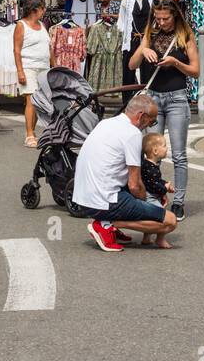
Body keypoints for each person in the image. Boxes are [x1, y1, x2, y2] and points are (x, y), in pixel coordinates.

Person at [69, 93, 176, 253]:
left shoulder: (106, 123)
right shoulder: (132, 134)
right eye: (152, 121)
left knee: (141, 202)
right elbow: (134, 184)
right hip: (104, 200)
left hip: (83, 197)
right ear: (141, 116)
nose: (151, 125)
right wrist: (146, 201)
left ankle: (109, 223)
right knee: (170, 221)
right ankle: (109, 225)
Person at [129, 0, 199, 220]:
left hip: (177, 98)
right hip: (153, 101)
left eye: (165, 18)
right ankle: (153, 197)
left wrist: (175, 63)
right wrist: (143, 51)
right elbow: (132, 65)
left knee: (178, 154)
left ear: (175, 15)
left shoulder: (185, 36)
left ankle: (178, 202)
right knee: (151, 154)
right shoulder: (150, 33)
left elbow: (196, 71)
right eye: (158, 18)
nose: (161, 22)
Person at [13, 0, 51, 148]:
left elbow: (49, 48)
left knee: (38, 101)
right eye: (42, 9)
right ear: (35, 9)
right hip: (29, 67)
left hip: (44, 67)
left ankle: (33, 131)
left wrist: (54, 67)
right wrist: (20, 71)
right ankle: (29, 134)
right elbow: (16, 50)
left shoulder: (42, 25)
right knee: (31, 100)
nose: (44, 11)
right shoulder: (21, 25)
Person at [138, 132, 175, 248]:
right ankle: (160, 239)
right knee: (161, 216)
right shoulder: (150, 168)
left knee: (150, 216)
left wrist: (164, 184)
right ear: (155, 151)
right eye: (164, 145)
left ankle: (146, 238)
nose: (167, 148)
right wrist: (165, 188)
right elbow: (153, 185)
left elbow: (155, 181)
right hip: (150, 196)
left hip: (150, 194)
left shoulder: (150, 165)